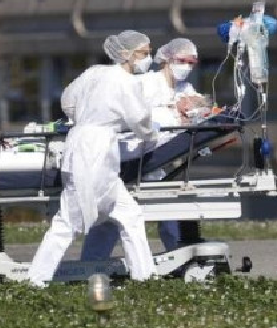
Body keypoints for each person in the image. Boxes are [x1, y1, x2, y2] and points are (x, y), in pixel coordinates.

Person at [27, 30, 161, 287]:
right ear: (127, 54)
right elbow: (139, 119)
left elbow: (67, 100)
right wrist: (151, 136)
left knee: (130, 215)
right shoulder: (127, 82)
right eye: (144, 53)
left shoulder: (93, 73)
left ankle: (145, 278)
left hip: (80, 143)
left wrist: (85, 118)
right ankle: (35, 281)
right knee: (68, 221)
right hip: (95, 152)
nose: (148, 58)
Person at [79, 38, 207, 261]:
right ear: (167, 59)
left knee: (171, 212)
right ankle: (90, 263)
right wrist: (172, 112)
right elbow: (132, 115)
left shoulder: (185, 89)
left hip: (160, 161)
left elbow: (201, 108)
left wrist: (194, 108)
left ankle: (179, 258)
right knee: (110, 217)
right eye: (182, 61)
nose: (187, 66)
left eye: (191, 63)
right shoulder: (146, 83)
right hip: (132, 156)